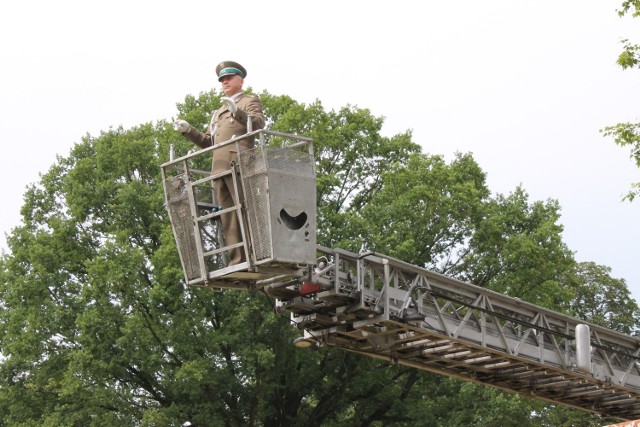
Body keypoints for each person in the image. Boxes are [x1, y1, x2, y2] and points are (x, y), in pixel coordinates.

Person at [174, 61, 265, 266]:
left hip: (240, 164)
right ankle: (237, 260)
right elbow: (209, 142)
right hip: (219, 168)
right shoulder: (217, 113)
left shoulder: (248, 101)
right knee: (228, 215)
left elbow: (258, 124)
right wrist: (189, 130)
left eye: (229, 78)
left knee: (245, 209)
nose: (225, 82)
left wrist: (238, 112)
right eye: (222, 79)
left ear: (240, 80)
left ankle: (255, 255)